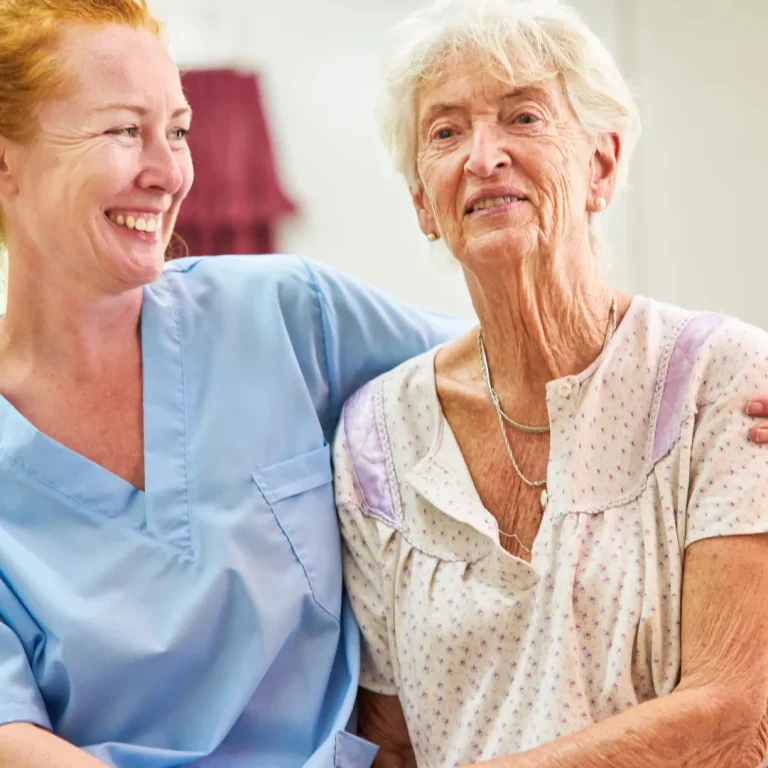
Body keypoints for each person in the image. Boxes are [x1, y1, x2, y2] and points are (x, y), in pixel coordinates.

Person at [0, 2, 469, 766]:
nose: (169, 173)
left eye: (177, 131)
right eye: (125, 130)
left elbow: (518, 370)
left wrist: (716, 381)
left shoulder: (289, 314)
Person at [333, 1, 768, 767]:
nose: (483, 155)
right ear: (423, 205)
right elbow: (390, 743)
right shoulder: (377, 437)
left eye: (523, 117)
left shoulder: (722, 380)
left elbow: (734, 717)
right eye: (446, 131)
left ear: (601, 164)